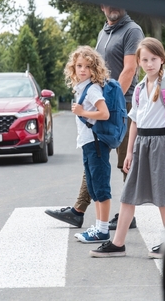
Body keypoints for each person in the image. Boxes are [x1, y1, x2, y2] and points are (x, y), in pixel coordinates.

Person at [89, 37, 165, 258]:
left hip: (162, 146)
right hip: (142, 146)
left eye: (153, 59)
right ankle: (118, 244)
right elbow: (134, 122)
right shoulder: (138, 90)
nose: (149, 64)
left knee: (163, 199)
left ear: (162, 59)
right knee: (128, 196)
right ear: (138, 62)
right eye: (144, 60)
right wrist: (129, 152)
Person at [45, 5, 144, 229]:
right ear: (101, 6)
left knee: (125, 161)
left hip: (123, 105)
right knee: (94, 156)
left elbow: (129, 69)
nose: (113, 6)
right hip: (104, 103)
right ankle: (78, 210)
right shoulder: (104, 32)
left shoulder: (132, 31)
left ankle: (128, 214)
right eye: (108, 2)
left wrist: (111, 103)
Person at [64, 45, 113, 243]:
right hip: (88, 143)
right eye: (79, 66)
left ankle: (102, 230)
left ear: (95, 69)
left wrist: (83, 112)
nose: (83, 69)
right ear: (73, 68)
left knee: (101, 188)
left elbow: (104, 113)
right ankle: (99, 227)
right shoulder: (82, 88)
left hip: (96, 144)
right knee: (93, 188)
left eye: (88, 66)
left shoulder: (92, 89)